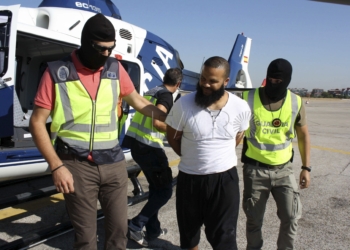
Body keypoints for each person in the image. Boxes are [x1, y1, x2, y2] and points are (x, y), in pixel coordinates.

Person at [29, 13, 167, 250]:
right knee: (86, 237)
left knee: (118, 232)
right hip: (76, 163)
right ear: (85, 43)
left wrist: (176, 117)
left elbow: (138, 102)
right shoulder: (57, 71)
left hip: (113, 162)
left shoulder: (115, 68)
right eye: (100, 49)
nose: (106, 55)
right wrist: (56, 166)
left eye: (110, 49)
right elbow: (37, 122)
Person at [165, 56, 251, 250]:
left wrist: (218, 157)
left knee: (224, 239)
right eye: (203, 78)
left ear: (225, 82)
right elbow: (173, 137)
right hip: (190, 180)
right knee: (189, 237)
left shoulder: (240, 107)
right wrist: (192, 156)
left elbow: (237, 138)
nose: (205, 84)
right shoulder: (183, 105)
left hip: (224, 182)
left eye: (213, 81)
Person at [241, 58, 311, 250]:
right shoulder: (247, 97)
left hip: (284, 171)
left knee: (291, 217)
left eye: (278, 81)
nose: (273, 83)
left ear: (287, 80)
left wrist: (306, 168)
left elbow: (303, 135)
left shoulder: (296, 102)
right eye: (270, 79)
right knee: (254, 221)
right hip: (255, 171)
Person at [121, 68, 182, 246]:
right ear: (178, 84)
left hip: (137, 145)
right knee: (164, 191)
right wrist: (177, 130)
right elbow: (157, 122)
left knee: (156, 189)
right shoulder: (166, 96)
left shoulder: (152, 91)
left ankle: (153, 229)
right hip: (150, 148)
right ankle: (136, 224)